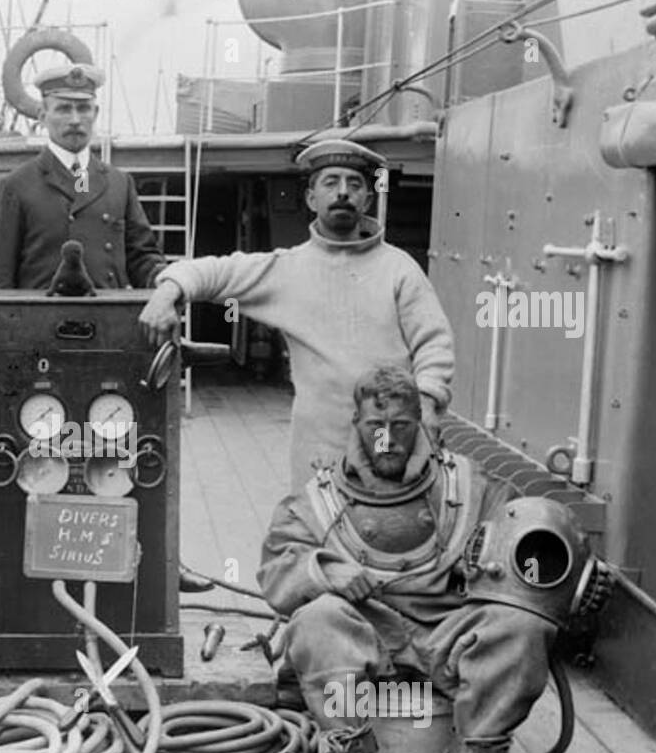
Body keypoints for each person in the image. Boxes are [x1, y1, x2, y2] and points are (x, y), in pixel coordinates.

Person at [256, 366, 557, 753]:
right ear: (355, 422)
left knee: (524, 626)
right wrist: (327, 569)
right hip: (367, 636)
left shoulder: (469, 486)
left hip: (449, 636)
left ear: (421, 424)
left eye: (401, 425)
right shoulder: (320, 499)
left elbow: (521, 526)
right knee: (316, 620)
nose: (387, 437)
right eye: (375, 423)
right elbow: (276, 569)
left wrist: (519, 560)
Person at [138, 138, 455, 493]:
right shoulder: (288, 269)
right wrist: (168, 291)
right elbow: (213, 273)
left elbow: (434, 343)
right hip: (320, 446)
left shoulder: (400, 269)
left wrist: (427, 401)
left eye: (354, 184)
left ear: (368, 198)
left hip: (388, 438)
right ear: (311, 198)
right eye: (331, 182)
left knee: (388, 528)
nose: (343, 192)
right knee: (315, 535)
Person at [0, 63, 166, 292]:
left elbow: (141, 257)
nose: (76, 119)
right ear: (42, 115)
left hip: (108, 320)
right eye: (64, 109)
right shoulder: (17, 186)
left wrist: (164, 278)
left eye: (84, 108)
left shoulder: (120, 184)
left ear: (95, 113)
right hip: (41, 322)